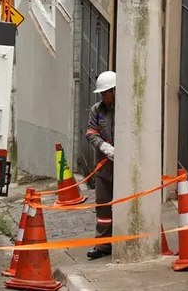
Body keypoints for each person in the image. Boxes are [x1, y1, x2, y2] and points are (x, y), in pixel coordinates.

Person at [84, 70, 116, 260]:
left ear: (114, 90)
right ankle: (103, 245)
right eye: (102, 94)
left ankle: (122, 240)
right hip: (104, 168)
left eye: (106, 93)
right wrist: (103, 146)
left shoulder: (125, 109)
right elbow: (90, 132)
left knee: (122, 205)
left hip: (122, 167)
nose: (104, 97)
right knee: (103, 206)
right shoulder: (97, 110)